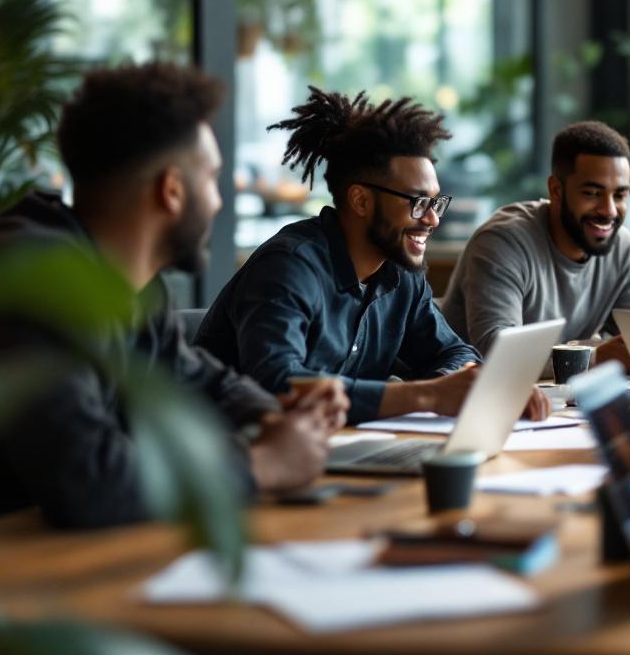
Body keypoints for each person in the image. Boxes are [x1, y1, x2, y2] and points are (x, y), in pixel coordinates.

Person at [0, 62, 344, 528]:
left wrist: (281, 414)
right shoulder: (36, 287)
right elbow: (87, 482)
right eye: (212, 179)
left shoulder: (133, 286)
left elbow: (202, 382)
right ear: (173, 190)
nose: (219, 201)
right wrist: (262, 466)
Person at [194, 88, 546, 426]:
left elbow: (456, 353)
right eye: (418, 202)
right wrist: (427, 396)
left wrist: (453, 386)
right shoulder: (288, 267)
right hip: (229, 462)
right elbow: (277, 383)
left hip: (335, 453)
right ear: (361, 201)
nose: (433, 218)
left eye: (436, 202)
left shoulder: (401, 274)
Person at [440, 121, 630, 371]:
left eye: (619, 195)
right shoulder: (503, 242)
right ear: (556, 190)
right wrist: (596, 357)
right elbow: (499, 354)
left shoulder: (621, 248)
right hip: (473, 400)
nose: (608, 210)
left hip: (559, 401)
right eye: (592, 193)